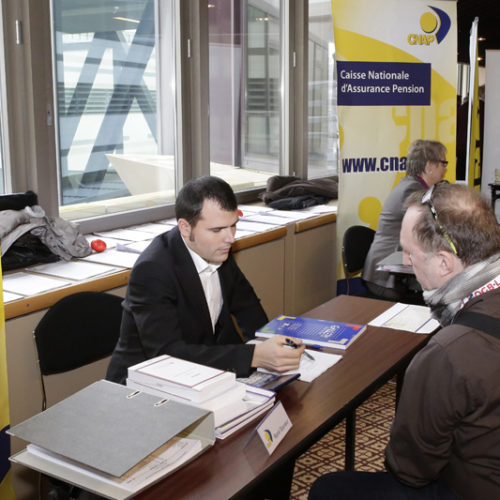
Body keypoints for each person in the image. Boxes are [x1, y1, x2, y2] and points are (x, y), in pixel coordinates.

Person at [309, 183, 500, 499]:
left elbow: (410, 469)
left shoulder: (449, 352)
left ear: (444, 263)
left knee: (327, 489)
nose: (407, 262)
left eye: (410, 252)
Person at [106, 175, 304, 384]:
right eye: (217, 230)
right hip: (145, 384)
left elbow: (247, 306)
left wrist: (272, 343)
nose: (230, 238)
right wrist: (253, 356)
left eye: (233, 225)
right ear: (185, 227)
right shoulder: (152, 270)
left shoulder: (216, 247)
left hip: (202, 371)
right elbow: (167, 354)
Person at [363, 139, 448, 303]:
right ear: (429, 166)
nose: (445, 168)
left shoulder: (416, 187)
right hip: (386, 277)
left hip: (400, 271)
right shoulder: (411, 190)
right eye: (443, 163)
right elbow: (434, 228)